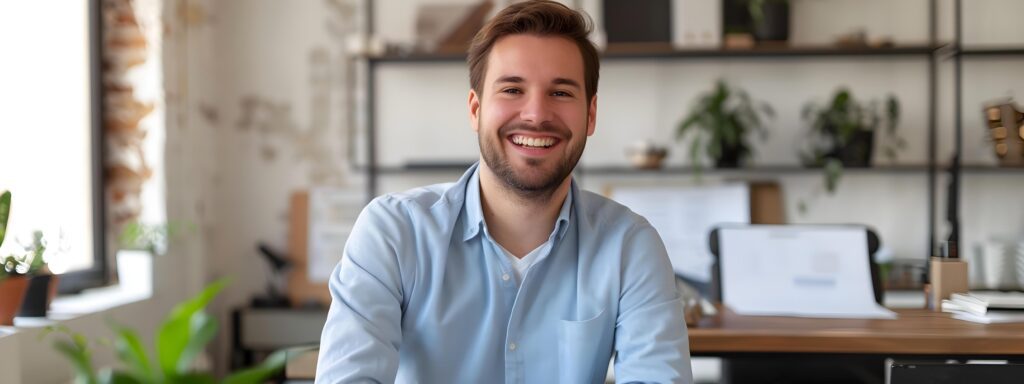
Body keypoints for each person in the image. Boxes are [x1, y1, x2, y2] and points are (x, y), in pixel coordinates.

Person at [315, 1, 692, 383]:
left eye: (561, 93)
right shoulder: (394, 232)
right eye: (512, 89)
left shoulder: (630, 245)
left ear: (590, 115)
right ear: (475, 109)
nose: (536, 114)